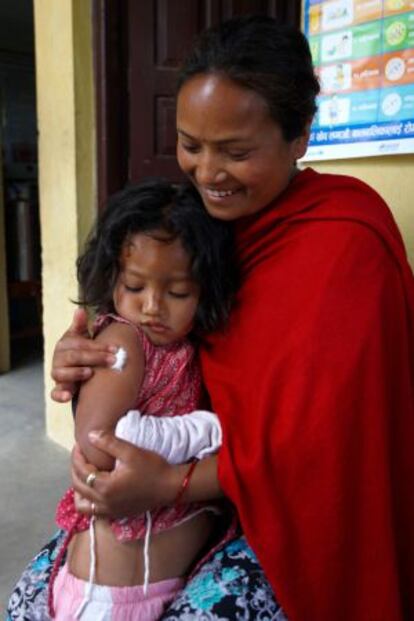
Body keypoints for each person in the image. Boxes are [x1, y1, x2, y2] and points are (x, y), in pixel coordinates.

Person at [7, 14, 414, 621]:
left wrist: (170, 486)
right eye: (191, 145)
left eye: (236, 151)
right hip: (191, 503)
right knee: (29, 604)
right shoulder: (197, 235)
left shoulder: (344, 241)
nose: (206, 173)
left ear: (301, 134)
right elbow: (164, 358)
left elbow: (323, 445)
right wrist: (89, 368)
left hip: (292, 519)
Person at [50, 179, 237, 620]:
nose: (153, 306)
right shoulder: (124, 342)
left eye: (177, 293)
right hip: (112, 598)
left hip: (163, 584)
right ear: (112, 277)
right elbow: (100, 441)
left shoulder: (183, 348)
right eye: (135, 287)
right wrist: (203, 430)